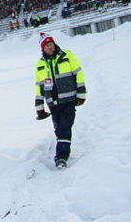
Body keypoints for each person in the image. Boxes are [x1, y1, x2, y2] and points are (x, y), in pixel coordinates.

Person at [35, 33, 86, 167]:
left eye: (51, 44)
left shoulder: (67, 56)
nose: (51, 47)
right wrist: (39, 107)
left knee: (64, 128)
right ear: (43, 48)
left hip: (69, 100)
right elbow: (39, 87)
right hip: (53, 103)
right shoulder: (40, 65)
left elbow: (78, 74)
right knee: (59, 129)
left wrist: (81, 93)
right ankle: (62, 148)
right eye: (47, 46)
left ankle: (61, 157)